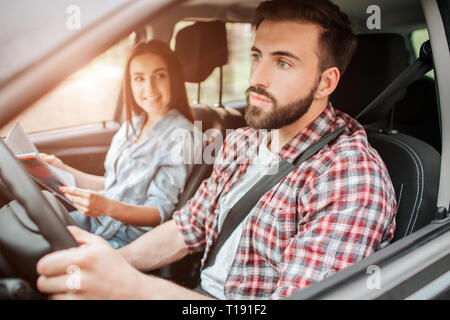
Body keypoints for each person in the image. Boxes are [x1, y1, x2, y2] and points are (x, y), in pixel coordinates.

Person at [36, 0, 397, 299]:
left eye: (283, 62)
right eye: (257, 56)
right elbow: (186, 228)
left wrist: (131, 288)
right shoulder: (242, 141)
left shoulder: (350, 176)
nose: (257, 77)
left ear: (326, 82)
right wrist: (111, 260)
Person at [40, 40, 199, 249]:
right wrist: (62, 169)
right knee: (35, 226)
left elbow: (159, 212)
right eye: (139, 78)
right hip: (99, 223)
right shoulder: (132, 125)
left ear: (174, 79)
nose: (149, 88)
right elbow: (114, 185)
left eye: (159, 76)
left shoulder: (183, 135)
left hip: (126, 239)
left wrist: (107, 207)